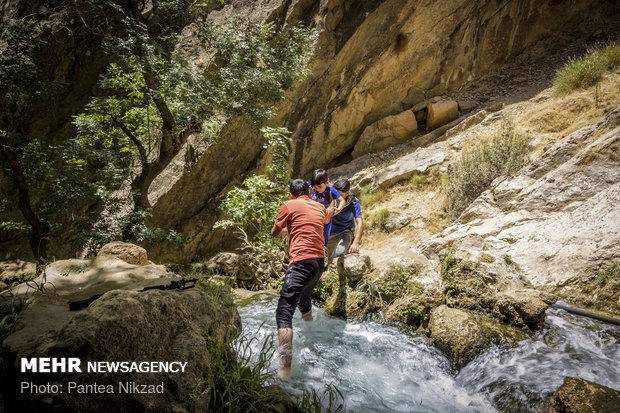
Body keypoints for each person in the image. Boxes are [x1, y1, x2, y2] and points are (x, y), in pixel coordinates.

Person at [271, 179, 331, 381]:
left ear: (291, 194)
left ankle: (284, 373)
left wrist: (288, 228)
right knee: (304, 298)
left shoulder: (289, 205)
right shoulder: (319, 206)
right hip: (318, 263)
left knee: (284, 313)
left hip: (301, 262)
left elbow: (275, 232)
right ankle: (310, 329)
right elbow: (320, 222)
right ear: (308, 191)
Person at [326, 178, 364, 267]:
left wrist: (356, 242)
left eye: (339, 195)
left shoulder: (354, 202)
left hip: (345, 231)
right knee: (331, 261)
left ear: (347, 193)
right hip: (330, 233)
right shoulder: (329, 197)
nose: (337, 197)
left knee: (339, 253)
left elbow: (360, 222)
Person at [310, 169, 346, 246]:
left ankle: (324, 249)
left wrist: (339, 209)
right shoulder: (314, 186)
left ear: (327, 182)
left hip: (327, 217)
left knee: (324, 235)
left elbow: (342, 201)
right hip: (315, 216)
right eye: (315, 187)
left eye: (320, 187)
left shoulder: (331, 190)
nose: (318, 189)